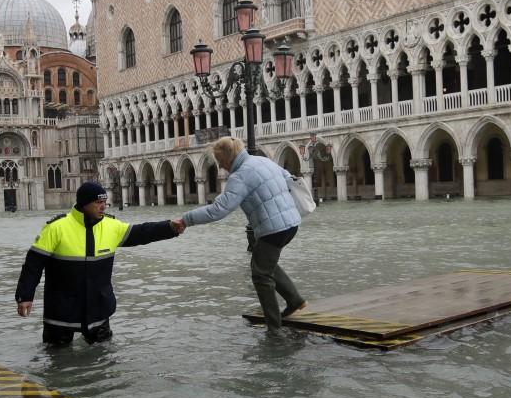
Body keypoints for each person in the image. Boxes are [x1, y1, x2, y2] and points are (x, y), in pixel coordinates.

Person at [15, 181, 184, 345]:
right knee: (57, 363)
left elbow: (142, 232)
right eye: (98, 202)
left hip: (99, 311)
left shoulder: (112, 226)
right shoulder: (56, 228)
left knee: (104, 361)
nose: (103, 206)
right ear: (84, 204)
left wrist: (169, 227)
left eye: (105, 202)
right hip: (61, 311)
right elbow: (33, 264)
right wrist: (25, 296)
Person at [172, 137, 308, 329]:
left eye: (220, 162)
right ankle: (295, 300)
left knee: (261, 275)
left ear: (228, 157)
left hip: (274, 228)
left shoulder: (240, 175)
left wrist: (187, 219)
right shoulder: (263, 160)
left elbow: (218, 210)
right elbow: (287, 176)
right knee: (263, 263)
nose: (221, 167)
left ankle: (274, 327)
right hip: (291, 222)